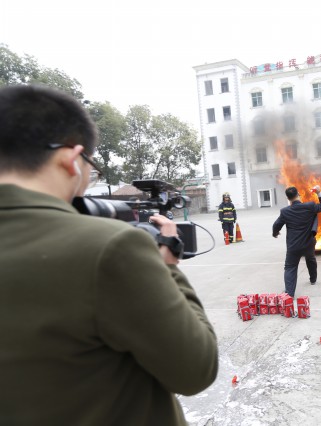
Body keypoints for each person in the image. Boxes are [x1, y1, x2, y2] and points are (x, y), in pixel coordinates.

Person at [0, 85, 218, 425]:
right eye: (91, 165)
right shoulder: (110, 248)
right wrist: (168, 264)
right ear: (72, 160)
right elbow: (197, 369)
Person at [272, 185, 321, 297]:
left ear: (288, 199)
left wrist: (275, 233)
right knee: (310, 258)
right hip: (308, 243)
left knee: (290, 267)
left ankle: (289, 294)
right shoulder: (310, 206)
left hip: (294, 246)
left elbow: (276, 225)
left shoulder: (285, 211)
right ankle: (313, 279)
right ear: (298, 195)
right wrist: (318, 192)